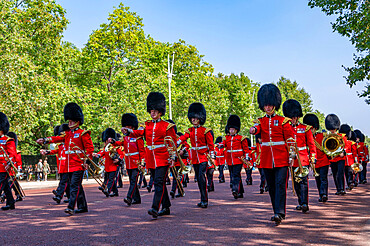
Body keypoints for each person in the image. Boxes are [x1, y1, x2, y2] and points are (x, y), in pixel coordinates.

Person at [122, 92, 177, 218]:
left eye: (155, 111)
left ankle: (155, 208)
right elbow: (138, 133)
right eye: (151, 110)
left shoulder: (167, 126)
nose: (152, 113)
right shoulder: (147, 125)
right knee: (160, 184)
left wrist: (173, 157)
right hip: (151, 158)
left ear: (160, 112)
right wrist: (128, 131)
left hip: (163, 158)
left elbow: (172, 143)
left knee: (158, 182)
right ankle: (166, 206)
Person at [36, 102, 93, 215]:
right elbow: (56, 138)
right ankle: (82, 206)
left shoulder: (83, 134)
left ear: (77, 121)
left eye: (71, 121)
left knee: (73, 186)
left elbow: (89, 149)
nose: (69, 123)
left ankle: (71, 206)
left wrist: (87, 161)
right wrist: (45, 140)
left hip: (78, 164)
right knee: (76, 186)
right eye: (69, 121)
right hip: (69, 165)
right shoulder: (67, 134)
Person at [249, 84, 295, 225]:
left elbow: (290, 139)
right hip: (267, 159)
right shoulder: (260, 121)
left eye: (270, 105)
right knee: (271, 186)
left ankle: (280, 212)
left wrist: (292, 155)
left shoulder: (283, 121)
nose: (268, 108)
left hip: (281, 158)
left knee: (281, 184)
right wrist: (253, 129)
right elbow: (257, 128)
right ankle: (276, 211)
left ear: (274, 105)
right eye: (265, 105)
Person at [177, 102, 215, 208]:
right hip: (195, 158)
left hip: (203, 156)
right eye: (192, 117)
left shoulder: (206, 131)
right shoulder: (190, 130)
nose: (193, 119)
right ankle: (202, 198)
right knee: (198, 178)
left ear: (200, 118)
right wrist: (177, 142)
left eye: (195, 117)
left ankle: (204, 200)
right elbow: (184, 137)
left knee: (201, 176)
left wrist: (212, 157)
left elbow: (210, 145)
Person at [283, 99, 316, 213]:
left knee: (304, 182)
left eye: (294, 116)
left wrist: (313, 157)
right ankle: (300, 201)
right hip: (292, 159)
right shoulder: (285, 127)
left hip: (303, 159)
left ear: (297, 116)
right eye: (291, 116)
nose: (293, 118)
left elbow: (311, 144)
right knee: (296, 183)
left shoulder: (305, 128)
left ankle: (304, 203)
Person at [109, 113, 145, 205]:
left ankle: (129, 197)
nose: (126, 128)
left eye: (128, 126)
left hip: (136, 162)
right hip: (128, 162)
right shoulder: (126, 138)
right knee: (132, 181)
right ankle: (137, 199)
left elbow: (142, 150)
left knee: (133, 181)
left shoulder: (138, 137)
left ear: (132, 127)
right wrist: (113, 141)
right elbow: (119, 143)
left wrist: (142, 162)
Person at [221, 115, 250, 199]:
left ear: (236, 130)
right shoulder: (226, 138)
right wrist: (219, 146)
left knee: (236, 175)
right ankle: (240, 191)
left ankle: (235, 190)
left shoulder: (241, 138)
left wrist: (247, 157)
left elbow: (246, 149)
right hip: (230, 160)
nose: (231, 131)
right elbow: (223, 145)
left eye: (233, 129)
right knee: (233, 175)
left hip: (238, 159)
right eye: (230, 129)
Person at [303, 113, 330, 203]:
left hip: (324, 160)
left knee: (323, 178)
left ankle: (324, 194)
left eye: (312, 129)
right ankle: (321, 194)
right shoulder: (306, 138)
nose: (311, 131)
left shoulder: (322, 136)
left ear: (315, 128)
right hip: (315, 162)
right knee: (318, 179)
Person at [41, 124, 70, 204]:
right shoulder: (60, 146)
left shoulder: (69, 145)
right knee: (66, 182)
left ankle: (59, 195)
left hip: (68, 166)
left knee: (63, 182)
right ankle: (69, 197)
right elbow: (55, 151)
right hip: (62, 166)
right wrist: (47, 152)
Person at [325, 114, 349, 196]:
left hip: (341, 158)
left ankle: (342, 188)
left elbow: (347, 146)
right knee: (335, 174)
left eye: (334, 128)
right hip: (332, 158)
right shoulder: (327, 137)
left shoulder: (341, 136)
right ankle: (338, 189)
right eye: (331, 129)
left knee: (340, 173)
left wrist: (343, 152)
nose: (332, 130)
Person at [0, 112, 16, 210]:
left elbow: (12, 154)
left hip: (3, 167)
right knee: (5, 186)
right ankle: (11, 202)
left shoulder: (8, 140)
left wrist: (9, 164)